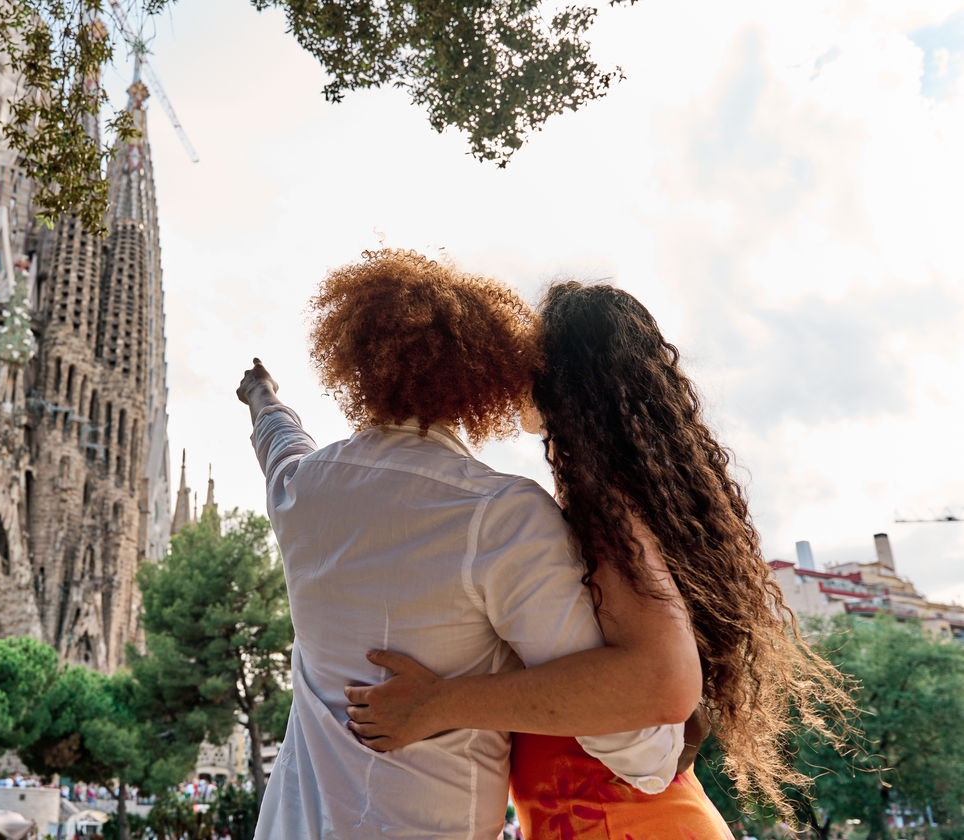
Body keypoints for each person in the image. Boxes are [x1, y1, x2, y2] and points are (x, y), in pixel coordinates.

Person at [344, 280, 854, 838]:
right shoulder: (619, 506)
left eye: (528, 356)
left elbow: (661, 682)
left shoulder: (605, 513)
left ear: (557, 379)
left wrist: (438, 704)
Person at [237, 250, 686, 840]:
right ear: (485, 376)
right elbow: (635, 744)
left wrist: (262, 396)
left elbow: (279, 441)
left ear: (356, 363)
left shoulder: (301, 490)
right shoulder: (500, 515)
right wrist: (667, 748)